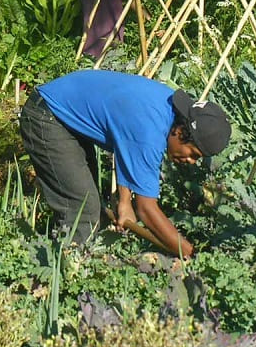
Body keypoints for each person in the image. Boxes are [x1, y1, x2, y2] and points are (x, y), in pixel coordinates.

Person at [19, 69, 231, 259]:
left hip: (66, 115)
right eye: (193, 153)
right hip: (48, 116)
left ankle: (80, 259)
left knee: (89, 204)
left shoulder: (166, 109)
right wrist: (188, 253)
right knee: (82, 211)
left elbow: (126, 146)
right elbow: (147, 210)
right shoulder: (149, 133)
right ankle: (65, 276)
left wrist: (124, 203)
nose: (191, 162)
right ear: (181, 131)